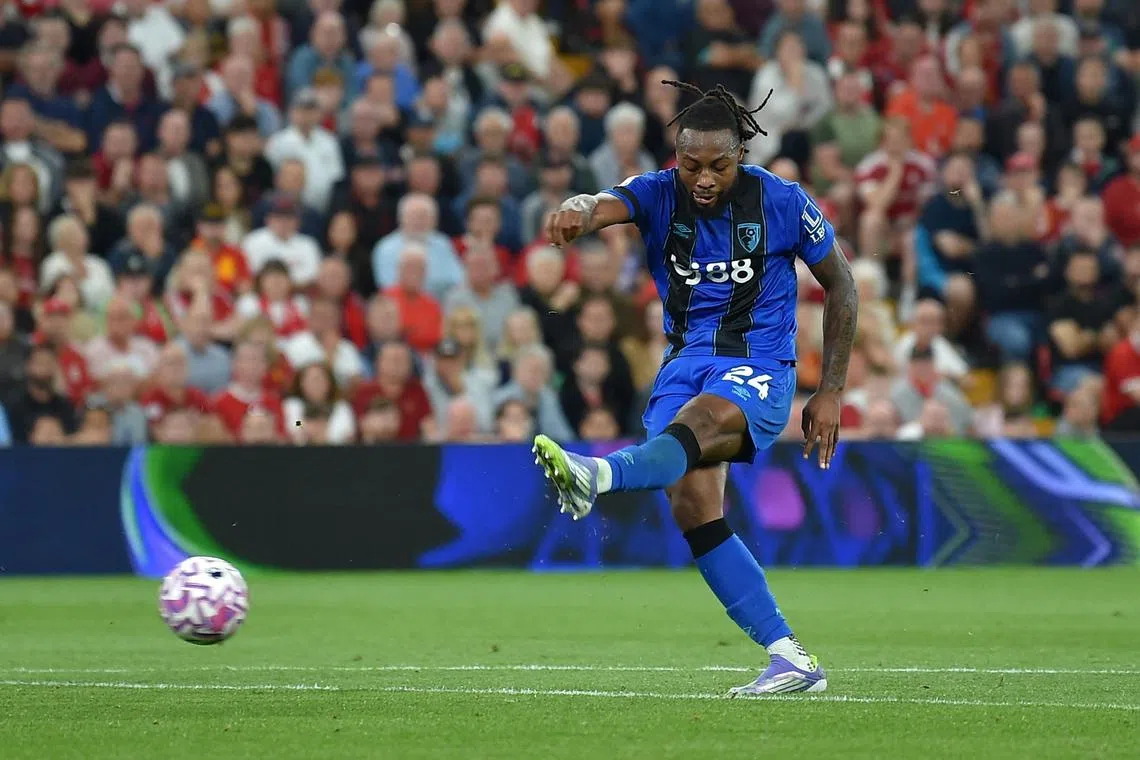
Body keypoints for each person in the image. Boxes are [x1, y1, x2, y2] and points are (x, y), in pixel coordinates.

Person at [530, 81, 857, 696]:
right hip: (683, 364)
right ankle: (789, 657)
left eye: (718, 166)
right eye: (691, 165)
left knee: (701, 423)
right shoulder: (658, 192)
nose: (703, 179)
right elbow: (606, 202)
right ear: (676, 158)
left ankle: (596, 475)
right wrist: (580, 206)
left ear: (741, 156)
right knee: (692, 506)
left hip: (759, 362)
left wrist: (831, 389)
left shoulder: (783, 201)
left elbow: (842, 285)